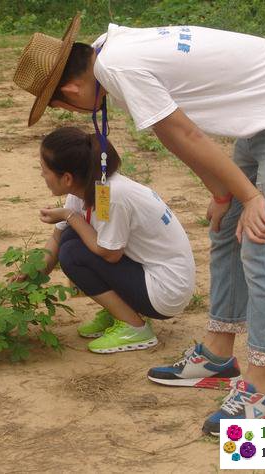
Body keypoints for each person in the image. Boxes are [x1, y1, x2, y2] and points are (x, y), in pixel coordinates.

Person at [13, 15, 265, 434]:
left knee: (262, 242)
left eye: (60, 106)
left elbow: (186, 135)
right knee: (226, 228)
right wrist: (223, 194)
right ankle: (217, 354)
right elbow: (171, 134)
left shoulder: (118, 67)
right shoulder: (109, 52)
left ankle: (261, 391)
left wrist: (249, 196)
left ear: (69, 91)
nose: (69, 112)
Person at [34, 126, 194, 354]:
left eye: (44, 170)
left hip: (165, 290)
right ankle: (118, 311)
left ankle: (134, 327)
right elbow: (58, 236)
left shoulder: (112, 195)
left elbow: (110, 254)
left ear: (67, 178)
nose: (42, 175)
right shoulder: (85, 186)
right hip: (146, 273)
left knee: (73, 253)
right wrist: (31, 279)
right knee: (71, 237)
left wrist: (69, 215)